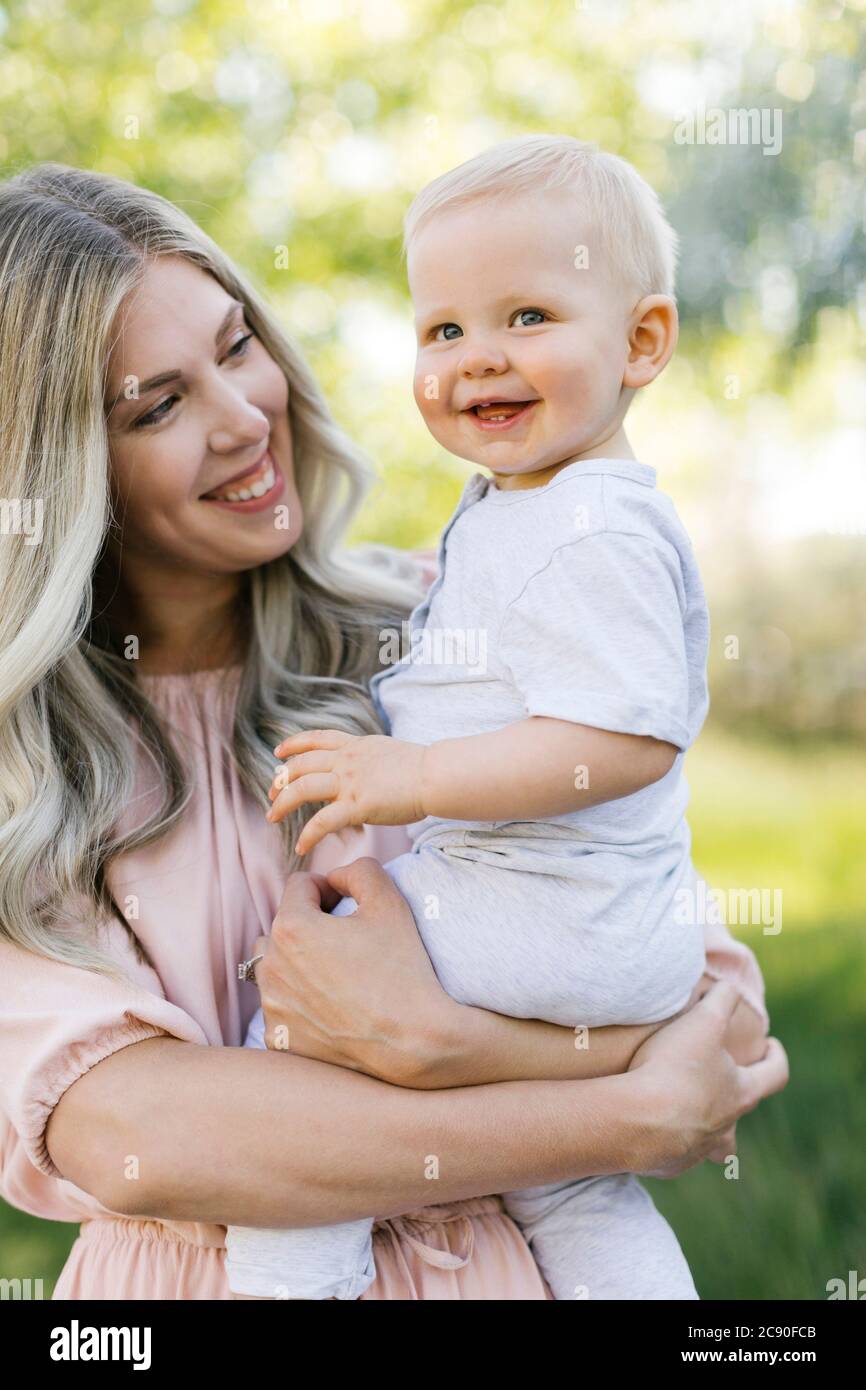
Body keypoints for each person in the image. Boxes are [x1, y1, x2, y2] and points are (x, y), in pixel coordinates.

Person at [0, 163, 787, 1302]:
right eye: (157, 405)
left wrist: (437, 1042)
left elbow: (713, 1001)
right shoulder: (29, 771)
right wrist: (616, 1113)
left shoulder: (434, 627)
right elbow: (148, 1137)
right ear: (59, 469)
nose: (241, 420)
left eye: (235, 347)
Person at [227, 136, 756, 1302]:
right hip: (590, 927)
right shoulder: (532, 506)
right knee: (570, 1180)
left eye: (526, 315)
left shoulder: (593, 527)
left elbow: (622, 742)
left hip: (549, 918)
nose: (477, 360)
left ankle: (284, 1275)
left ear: (640, 342)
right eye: (444, 331)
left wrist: (411, 778)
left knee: (315, 1015)